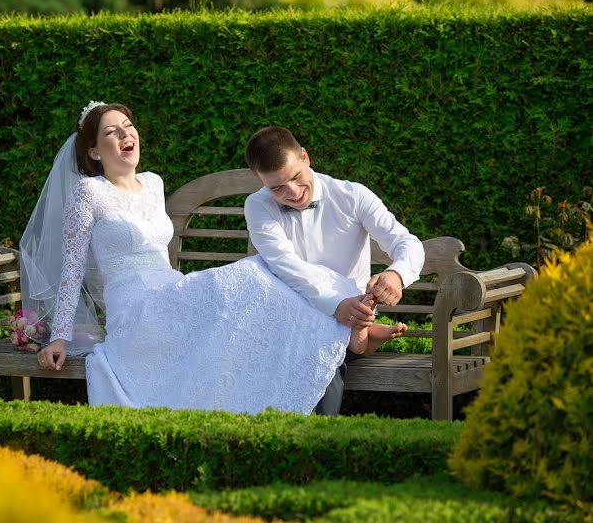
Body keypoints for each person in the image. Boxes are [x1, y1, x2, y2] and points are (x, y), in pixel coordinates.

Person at [26, 101, 405, 415]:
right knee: (253, 273)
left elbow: (158, 254)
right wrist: (59, 336)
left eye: (128, 126)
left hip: (167, 293)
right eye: (112, 132)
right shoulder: (87, 194)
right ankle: (357, 335)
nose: (127, 135)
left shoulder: (153, 184)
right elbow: (73, 267)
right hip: (135, 311)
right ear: (93, 150)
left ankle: (357, 334)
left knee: (253, 288)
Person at [243, 126, 425, 415]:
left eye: (295, 177)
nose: (292, 192)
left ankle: (317, 441)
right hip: (290, 315)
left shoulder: (352, 196)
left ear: (305, 157)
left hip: (350, 318)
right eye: (276, 187)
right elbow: (285, 267)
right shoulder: (257, 206)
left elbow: (406, 243)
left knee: (320, 350)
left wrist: (397, 274)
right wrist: (334, 305)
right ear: (259, 180)